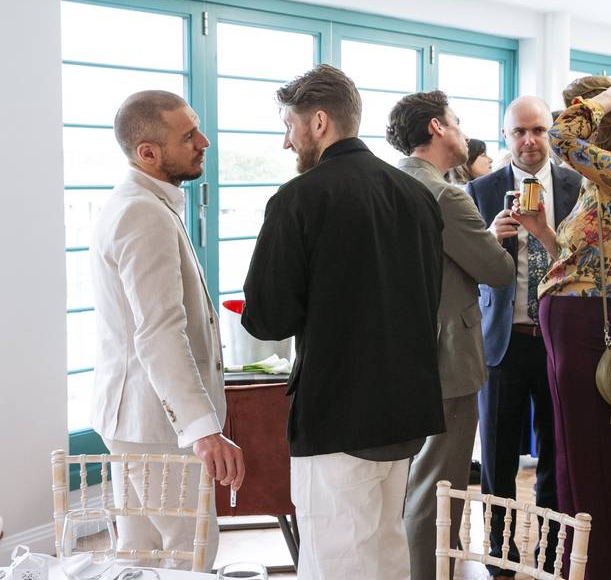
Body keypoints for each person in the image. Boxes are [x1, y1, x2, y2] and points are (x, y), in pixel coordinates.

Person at [240, 65, 446, 580]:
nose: (287, 142)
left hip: (338, 415)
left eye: (289, 126)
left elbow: (267, 318)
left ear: (319, 123)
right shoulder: (418, 196)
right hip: (405, 413)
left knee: (336, 564)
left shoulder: (298, 199)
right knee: (385, 553)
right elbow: (428, 299)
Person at [90, 90, 245, 570]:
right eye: (188, 135)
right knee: (188, 554)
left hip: (137, 417)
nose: (204, 141)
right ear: (148, 153)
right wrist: (202, 430)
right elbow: (159, 332)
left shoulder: (141, 203)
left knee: (141, 557)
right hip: (157, 423)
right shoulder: (143, 213)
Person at [389, 90, 514, 580]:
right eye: (458, 122)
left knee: (403, 483)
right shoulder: (446, 194)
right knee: (437, 487)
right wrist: (491, 237)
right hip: (446, 358)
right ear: (437, 128)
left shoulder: (385, 183)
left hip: (395, 353)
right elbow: (498, 271)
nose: (464, 132)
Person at [539, 76, 611, 579]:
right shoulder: (600, 177)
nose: (577, 114)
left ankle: (602, 569)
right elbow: (576, 261)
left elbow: (560, 136)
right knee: (574, 452)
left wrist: (610, 96)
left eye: (584, 108)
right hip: (567, 321)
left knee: (588, 456)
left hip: (583, 323)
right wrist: (542, 232)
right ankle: (588, 566)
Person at [465, 96, 580, 579]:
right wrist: (491, 236)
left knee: (556, 452)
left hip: (558, 340)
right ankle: (500, 554)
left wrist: (549, 233)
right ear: (505, 135)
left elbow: (585, 262)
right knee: (497, 457)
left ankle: (551, 551)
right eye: (519, 132)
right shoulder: (480, 190)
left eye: (537, 130)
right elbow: (465, 269)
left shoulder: (578, 185)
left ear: (550, 132)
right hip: (502, 341)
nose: (529, 141)